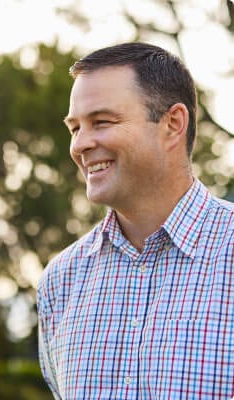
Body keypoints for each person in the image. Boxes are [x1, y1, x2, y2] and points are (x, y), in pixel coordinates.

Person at [36, 42, 234, 398]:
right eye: (74, 128)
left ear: (173, 124)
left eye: (102, 122)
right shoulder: (60, 283)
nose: (80, 145)